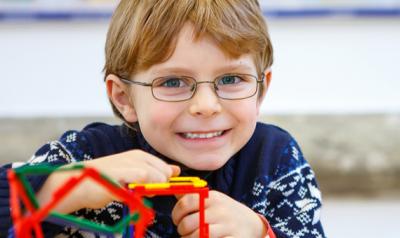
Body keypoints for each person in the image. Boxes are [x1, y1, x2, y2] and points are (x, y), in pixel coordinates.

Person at [0, 0, 325, 237]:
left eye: (230, 80)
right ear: (124, 98)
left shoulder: (276, 157)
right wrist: (67, 188)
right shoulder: (87, 154)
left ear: (260, 90)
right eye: (173, 82)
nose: (206, 106)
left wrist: (259, 232)